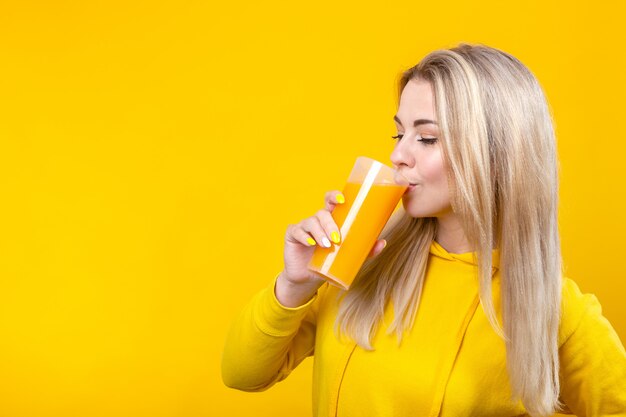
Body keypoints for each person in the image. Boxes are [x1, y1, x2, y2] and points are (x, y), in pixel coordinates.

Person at [221, 43, 626, 416]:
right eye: (400, 133)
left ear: (497, 152)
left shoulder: (558, 314)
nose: (398, 154)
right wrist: (293, 285)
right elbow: (243, 375)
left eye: (427, 138)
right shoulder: (360, 258)